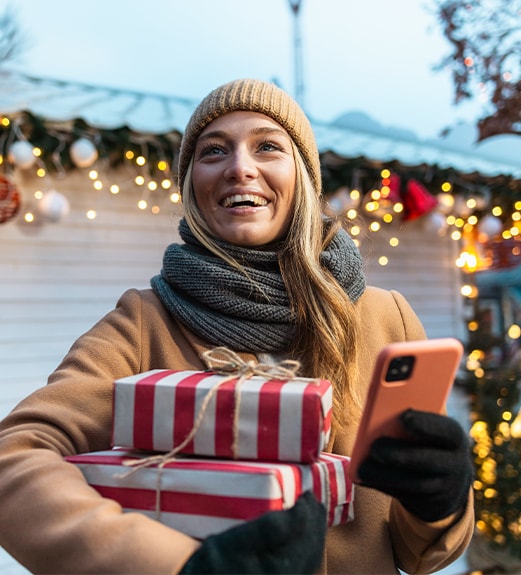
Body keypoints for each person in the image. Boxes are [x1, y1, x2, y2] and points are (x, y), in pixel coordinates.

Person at [0, 78, 474, 575]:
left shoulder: (385, 318)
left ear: (304, 179)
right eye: (213, 152)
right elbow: (15, 458)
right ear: (192, 186)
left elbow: (424, 553)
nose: (240, 168)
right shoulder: (143, 324)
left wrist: (440, 502)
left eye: (268, 146)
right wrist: (183, 566)